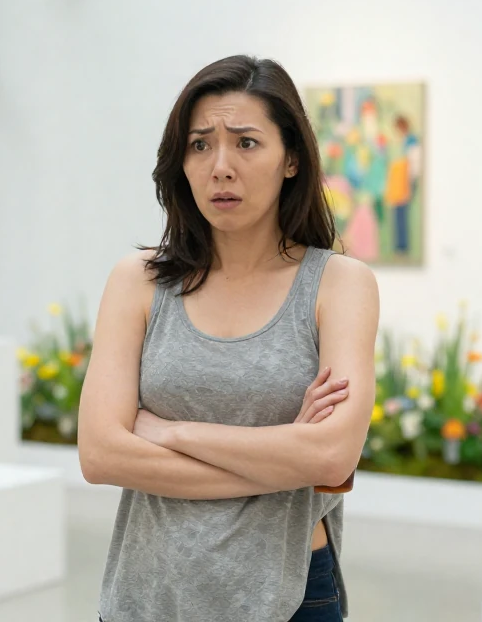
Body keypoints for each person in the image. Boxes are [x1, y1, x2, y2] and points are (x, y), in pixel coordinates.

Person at [79, 55, 379, 622]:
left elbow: (332, 454)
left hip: (290, 597)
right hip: (148, 595)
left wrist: (170, 431)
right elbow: (99, 454)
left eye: (246, 143)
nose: (220, 167)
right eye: (200, 145)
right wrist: (283, 454)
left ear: (291, 158)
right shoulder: (138, 280)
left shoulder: (339, 284)